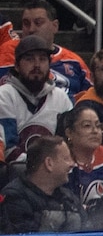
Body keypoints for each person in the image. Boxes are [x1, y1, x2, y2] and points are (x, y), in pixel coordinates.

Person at [0, 36, 75, 170]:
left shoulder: (61, 98)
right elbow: (8, 150)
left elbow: (71, 144)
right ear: (17, 65)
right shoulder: (4, 95)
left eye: (42, 59)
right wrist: (42, 167)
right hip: (16, 176)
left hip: (55, 173)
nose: (37, 65)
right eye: (29, 59)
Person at [0, 135, 83, 234]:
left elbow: (88, 231)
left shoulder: (69, 198)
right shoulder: (14, 198)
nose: (72, 164)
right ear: (49, 163)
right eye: (66, 159)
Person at [59, 104, 103, 218]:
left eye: (99, 126)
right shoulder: (63, 160)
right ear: (69, 133)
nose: (95, 131)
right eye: (87, 126)